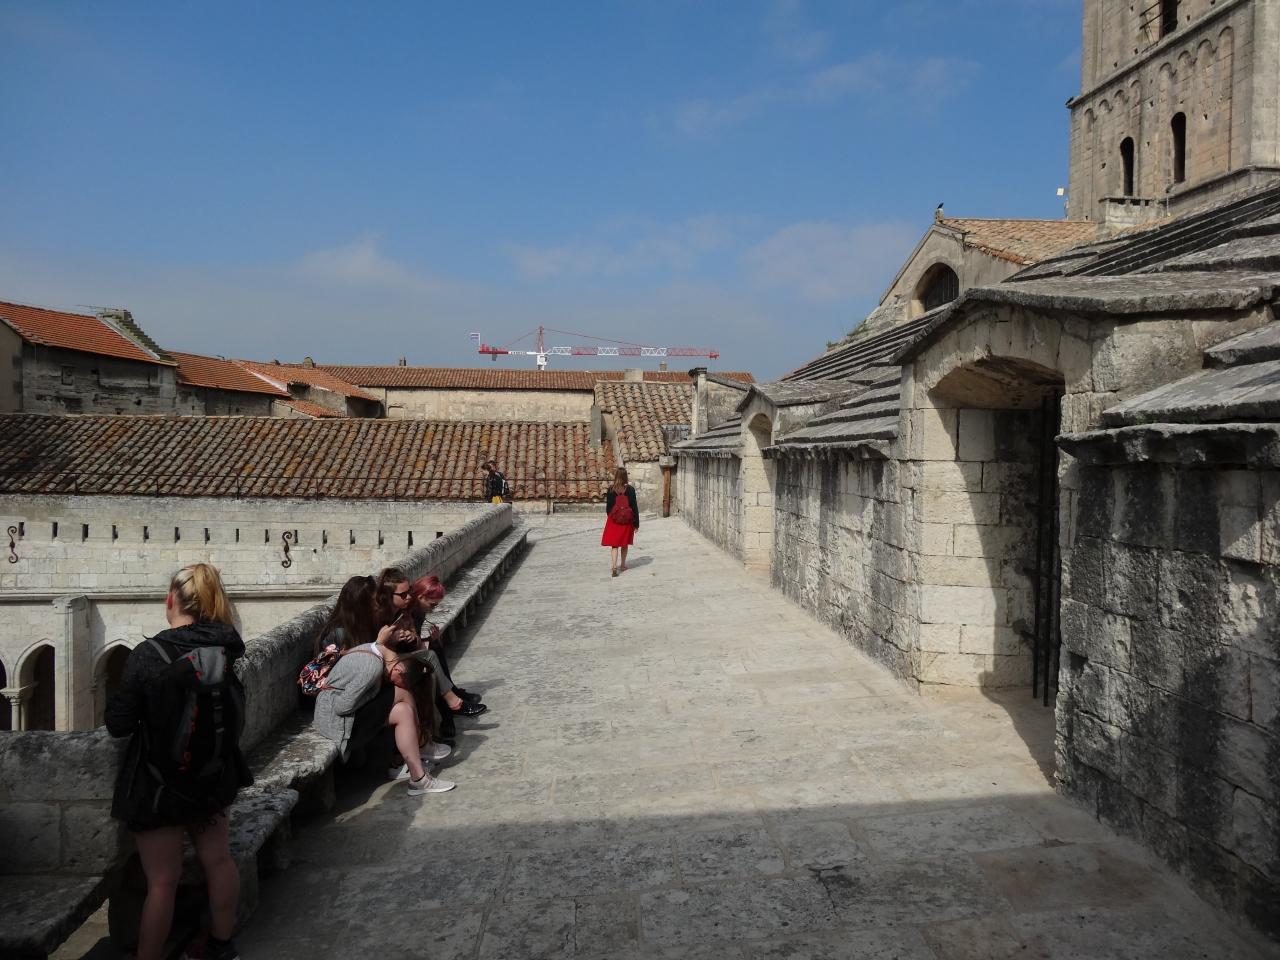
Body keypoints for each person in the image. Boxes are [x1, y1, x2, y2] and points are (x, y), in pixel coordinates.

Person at [104, 563, 252, 960]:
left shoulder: (149, 655)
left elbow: (118, 724)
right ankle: (221, 945)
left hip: (160, 788)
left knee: (162, 883)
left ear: (171, 599)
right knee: (218, 861)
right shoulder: (225, 648)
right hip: (212, 778)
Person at [313, 575, 455, 795]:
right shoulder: (348, 642)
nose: (381, 605)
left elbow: (372, 664)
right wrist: (380, 652)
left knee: (404, 707)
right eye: (376, 601)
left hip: (357, 701)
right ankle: (420, 747)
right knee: (401, 690)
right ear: (363, 604)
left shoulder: (371, 634)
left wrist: (393, 643)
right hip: (340, 719)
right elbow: (343, 704)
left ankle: (417, 776)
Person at [375, 568, 487, 721]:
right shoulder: (391, 613)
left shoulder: (404, 611)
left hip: (401, 652)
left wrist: (412, 637)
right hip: (388, 658)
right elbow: (377, 644)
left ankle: (451, 703)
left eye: (409, 592)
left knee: (434, 652)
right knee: (432, 655)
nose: (409, 597)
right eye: (404, 594)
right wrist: (395, 639)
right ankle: (453, 703)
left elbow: (414, 638)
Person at [602, 466, 639, 577]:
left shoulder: (611, 490)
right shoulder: (631, 490)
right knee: (624, 544)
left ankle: (614, 566)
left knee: (614, 545)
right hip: (627, 521)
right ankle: (622, 565)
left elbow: (608, 508)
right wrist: (636, 524)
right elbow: (634, 507)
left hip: (614, 521)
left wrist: (613, 518)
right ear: (626, 477)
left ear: (616, 476)